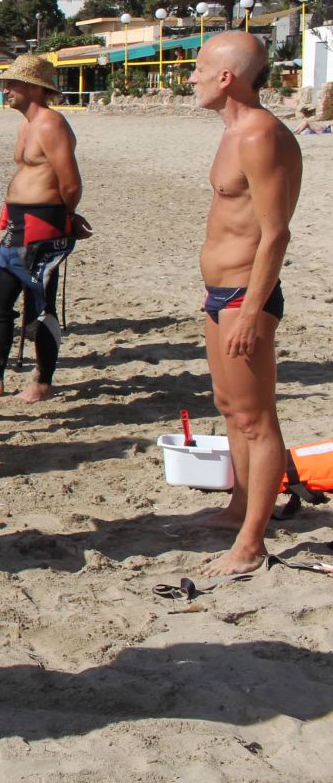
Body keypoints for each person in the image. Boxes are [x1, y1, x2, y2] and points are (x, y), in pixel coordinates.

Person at [189, 32, 302, 577]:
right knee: (229, 407)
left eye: (199, 69)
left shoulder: (260, 135)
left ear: (227, 77)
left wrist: (253, 311)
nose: (191, 77)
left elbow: (275, 234)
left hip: (244, 296)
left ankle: (253, 540)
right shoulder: (232, 132)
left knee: (256, 418)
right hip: (221, 294)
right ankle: (239, 508)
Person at [0, 54, 87, 404]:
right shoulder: (25, 126)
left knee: (40, 306)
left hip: (43, 223)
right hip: (19, 224)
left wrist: (65, 218)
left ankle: (43, 382)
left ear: (34, 88)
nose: (5, 90)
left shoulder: (51, 124)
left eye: (12, 84)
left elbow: (71, 183)